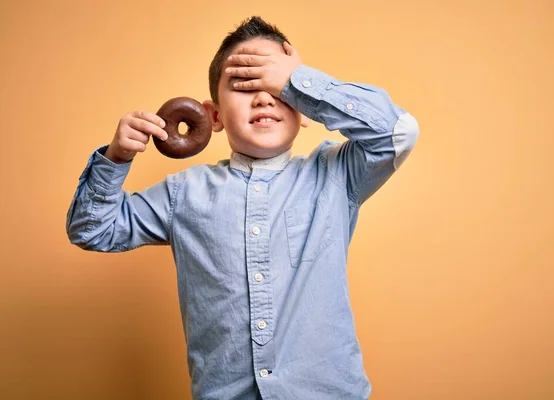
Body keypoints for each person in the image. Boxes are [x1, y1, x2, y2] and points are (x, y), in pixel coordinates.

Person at [66, 15, 419, 400]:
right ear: (213, 115)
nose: (264, 96)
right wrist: (116, 158)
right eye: (243, 84)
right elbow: (92, 229)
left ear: (303, 111)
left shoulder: (335, 176)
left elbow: (396, 133)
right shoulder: (183, 193)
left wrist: (300, 81)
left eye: (275, 85)